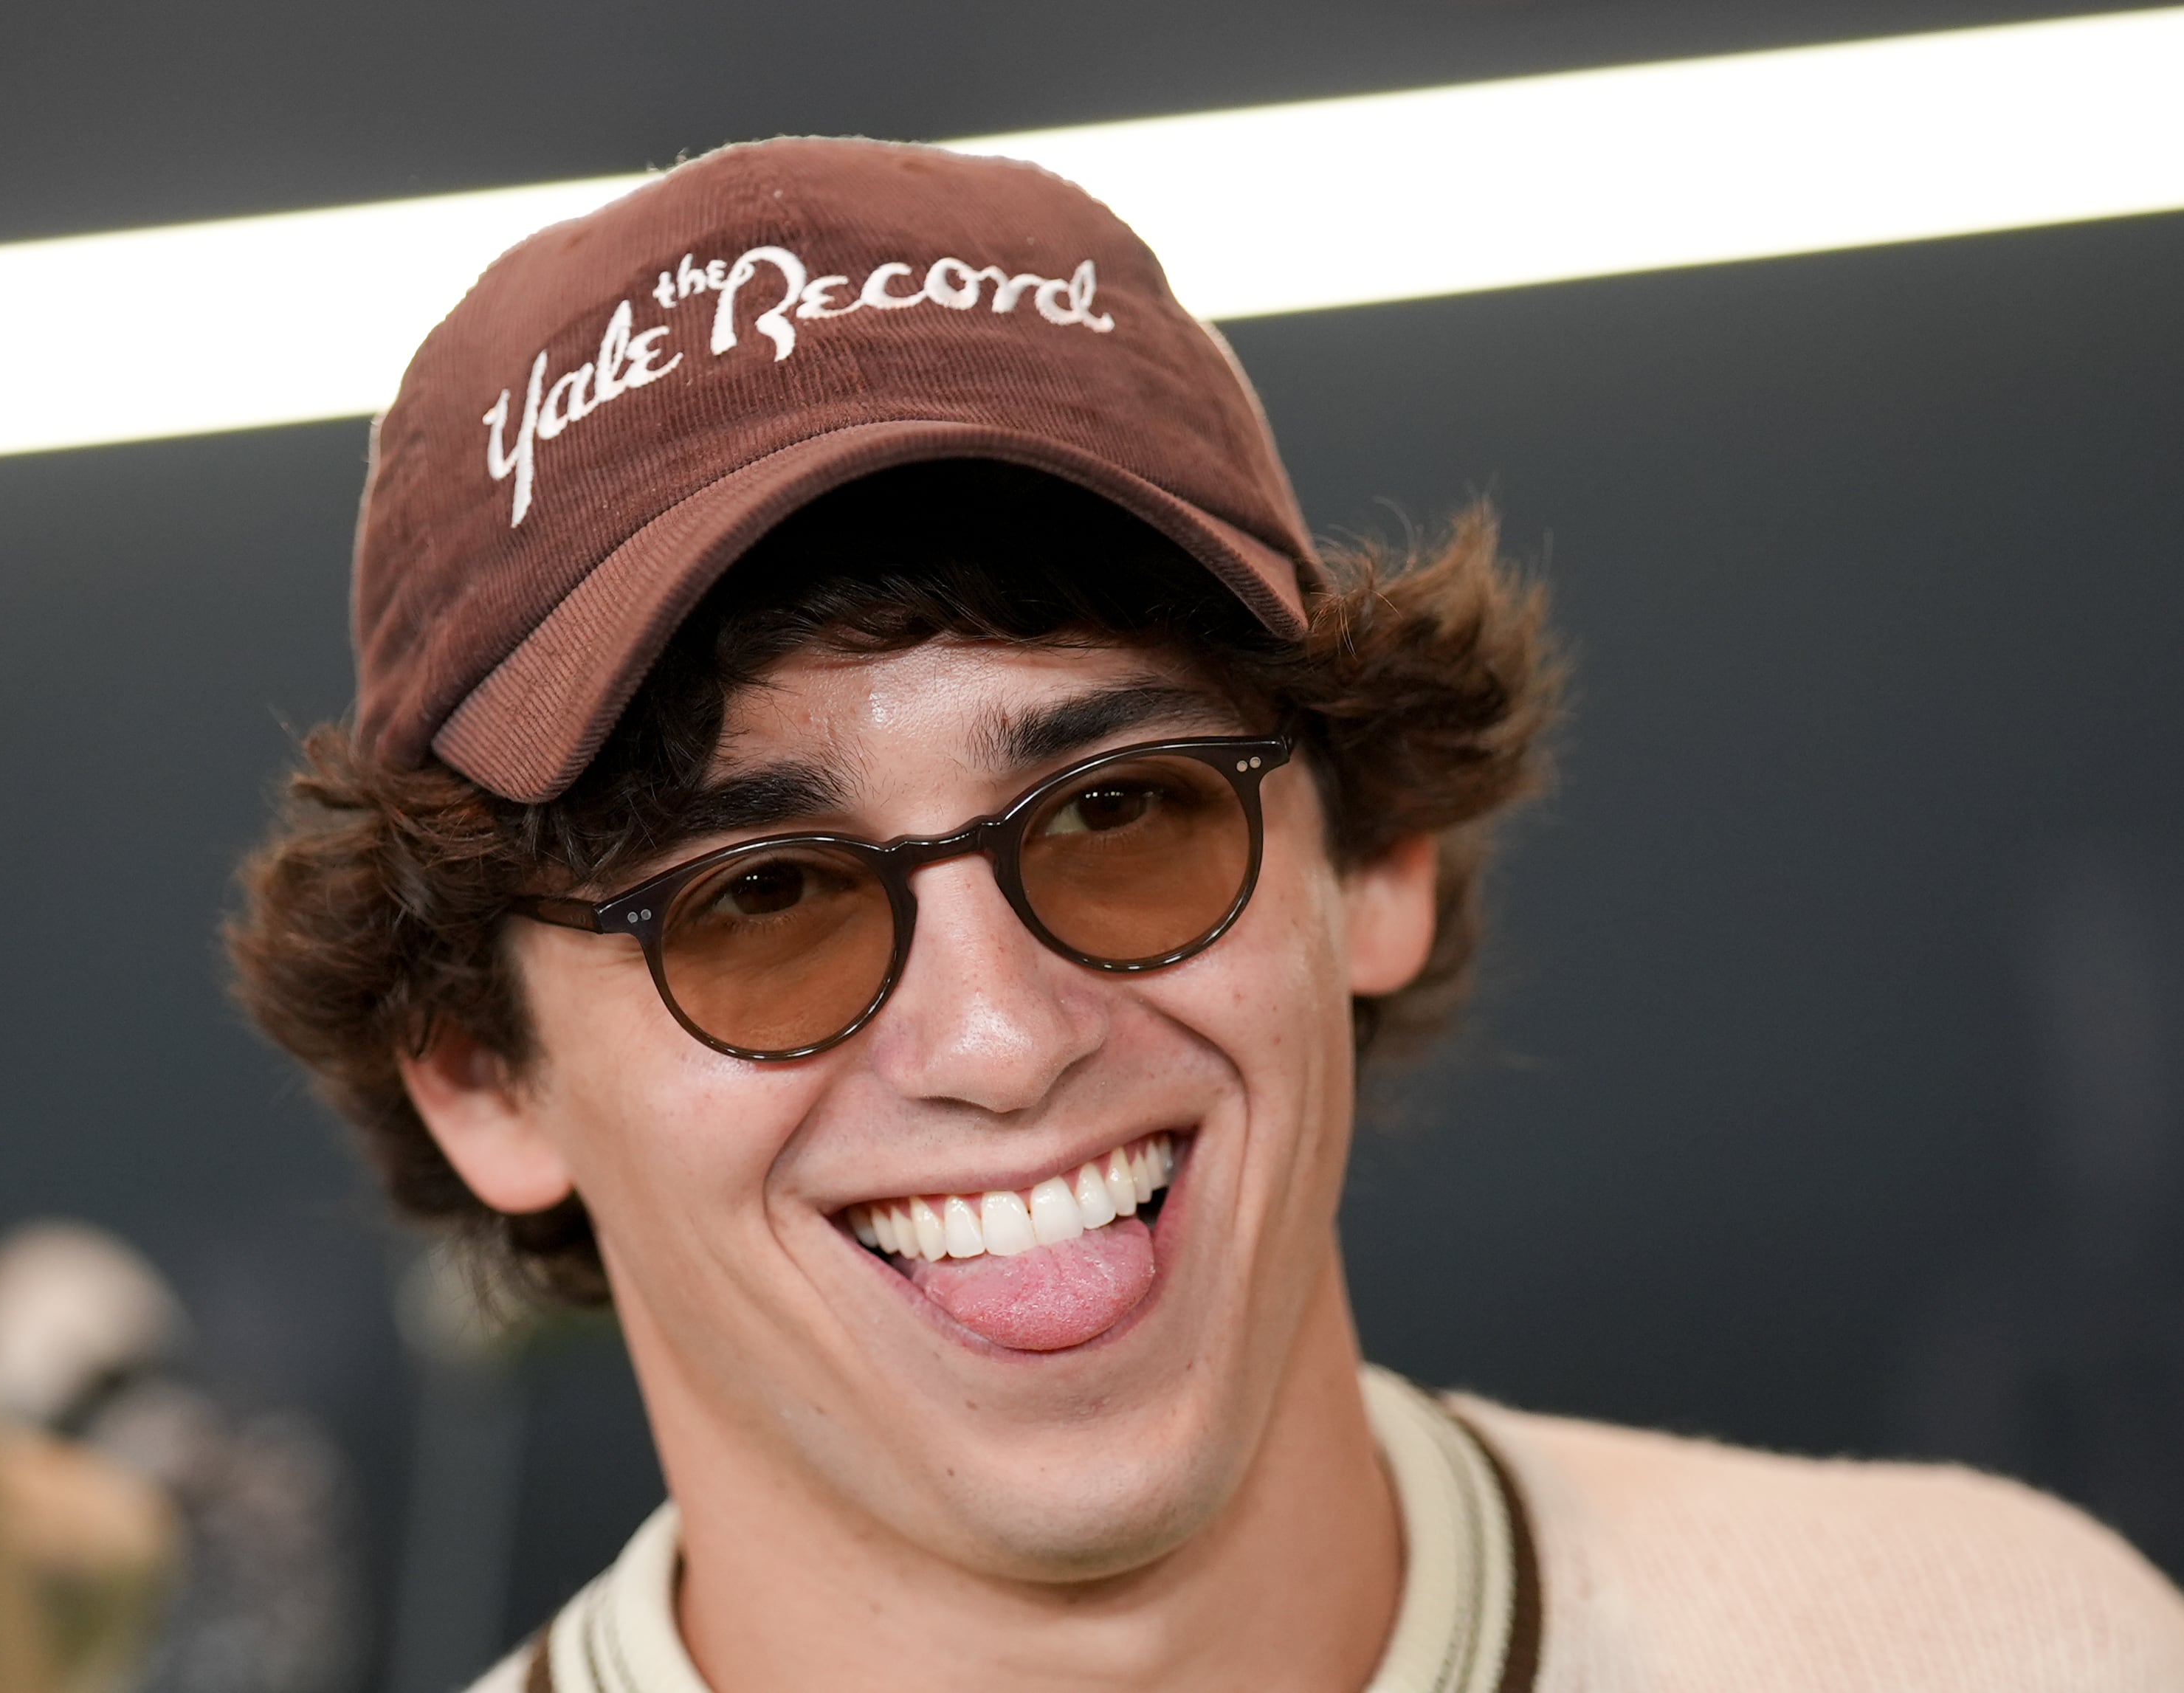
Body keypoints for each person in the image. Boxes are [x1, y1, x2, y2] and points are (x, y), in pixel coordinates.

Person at [230, 138, 2184, 1692]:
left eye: (1118, 817)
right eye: (760, 904)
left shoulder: (2015, 1651)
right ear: (484, 1074)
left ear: (1378, 856)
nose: (1000, 1039)